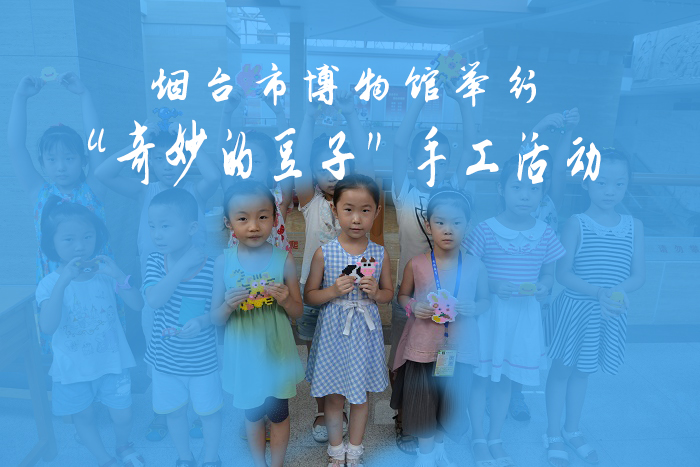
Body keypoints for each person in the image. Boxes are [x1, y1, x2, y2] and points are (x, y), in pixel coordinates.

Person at [95, 116, 220, 441]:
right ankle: (163, 411)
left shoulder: (194, 191)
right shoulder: (145, 191)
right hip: (156, 283)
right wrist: (138, 143)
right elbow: (103, 173)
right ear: (149, 160)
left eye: (175, 157)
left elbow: (214, 175)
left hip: (193, 288)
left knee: (191, 343)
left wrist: (188, 140)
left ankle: (199, 411)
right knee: (157, 346)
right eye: (160, 158)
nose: (168, 164)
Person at [389, 81, 478, 453]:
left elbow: (471, 147)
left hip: (452, 305)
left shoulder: (452, 192)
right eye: (425, 156)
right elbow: (398, 145)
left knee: (445, 362)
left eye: (440, 157)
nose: (433, 162)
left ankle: (438, 420)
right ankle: (405, 421)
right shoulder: (405, 192)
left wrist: (462, 101)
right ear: (413, 162)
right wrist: (418, 101)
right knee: (406, 364)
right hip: (411, 297)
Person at [543, 149, 645, 467]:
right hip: (575, 311)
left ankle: (572, 429)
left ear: (627, 185)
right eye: (602, 182)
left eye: (619, 184)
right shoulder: (576, 223)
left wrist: (614, 293)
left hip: (606, 313)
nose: (610, 191)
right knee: (562, 370)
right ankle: (553, 433)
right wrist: (599, 292)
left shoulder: (634, 225)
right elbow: (563, 274)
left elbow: (638, 275)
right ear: (586, 183)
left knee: (584, 370)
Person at [465, 157, 566, 467]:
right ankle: (478, 437)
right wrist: (494, 285)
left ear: (542, 193)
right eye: (517, 187)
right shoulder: (484, 230)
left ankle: (495, 437)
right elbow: (468, 274)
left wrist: (544, 287)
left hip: (523, 317)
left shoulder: (545, 233)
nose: (525, 195)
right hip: (490, 315)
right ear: (501, 189)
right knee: (481, 378)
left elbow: (549, 275)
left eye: (534, 189)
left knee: (506, 379)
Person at [8, 72, 116, 352]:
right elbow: (16, 147)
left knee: (101, 338)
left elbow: (97, 141)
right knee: (63, 341)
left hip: (96, 276)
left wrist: (85, 95)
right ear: (42, 163)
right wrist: (20, 97)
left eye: (69, 158)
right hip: (55, 279)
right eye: (52, 159)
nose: (61, 166)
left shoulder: (94, 188)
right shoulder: (39, 192)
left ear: (83, 160)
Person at [35, 197, 144, 467]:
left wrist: (118, 276)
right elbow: (47, 327)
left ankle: (122, 445)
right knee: (83, 417)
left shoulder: (105, 274)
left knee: (123, 415)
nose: (80, 245)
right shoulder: (48, 284)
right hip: (73, 367)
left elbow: (137, 304)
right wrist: (62, 282)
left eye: (87, 236)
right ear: (52, 243)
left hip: (112, 361)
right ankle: (105, 459)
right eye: (68, 239)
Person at [294, 90, 375, 442]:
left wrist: (351, 114)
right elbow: (298, 161)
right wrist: (309, 118)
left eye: (340, 168)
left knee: (348, 353)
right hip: (315, 293)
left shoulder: (355, 203)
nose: (332, 175)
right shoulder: (310, 200)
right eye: (324, 169)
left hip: (354, 296)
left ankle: (345, 404)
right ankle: (322, 410)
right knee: (317, 356)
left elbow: (366, 162)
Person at [391, 189, 490, 467]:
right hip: (423, 347)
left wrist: (475, 307)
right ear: (428, 225)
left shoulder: (476, 266)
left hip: (459, 348)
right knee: (423, 400)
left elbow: (485, 301)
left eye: (457, 223)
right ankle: (425, 455)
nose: (448, 229)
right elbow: (402, 296)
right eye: (440, 222)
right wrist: (413, 306)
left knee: (450, 400)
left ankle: (439, 450)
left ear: (468, 225)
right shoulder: (417, 264)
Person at [211, 180, 304, 467]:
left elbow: (298, 311)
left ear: (275, 219)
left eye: (262, 217)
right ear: (228, 223)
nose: (253, 226)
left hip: (276, 353)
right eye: (243, 218)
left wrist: (286, 300)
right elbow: (215, 318)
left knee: (278, 414)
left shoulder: (283, 260)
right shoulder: (223, 262)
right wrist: (227, 305)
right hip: (244, 356)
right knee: (251, 415)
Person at [304, 174, 393, 467]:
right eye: (348, 210)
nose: (356, 219)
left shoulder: (379, 253)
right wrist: (332, 291)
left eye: (365, 210)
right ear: (335, 209)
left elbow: (388, 294)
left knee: (360, 396)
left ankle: (354, 451)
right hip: (334, 330)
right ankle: (335, 450)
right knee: (334, 397)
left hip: (364, 332)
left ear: (376, 212)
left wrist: (376, 292)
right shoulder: (324, 253)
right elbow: (309, 296)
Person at [508, 108, 580, 421]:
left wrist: (568, 133)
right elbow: (523, 158)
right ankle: (498, 392)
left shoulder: (550, 202)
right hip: (509, 280)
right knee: (505, 338)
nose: (545, 179)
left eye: (547, 176)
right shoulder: (521, 196)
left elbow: (561, 170)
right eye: (539, 173)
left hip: (540, 286)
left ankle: (516, 396)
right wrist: (539, 126)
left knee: (526, 343)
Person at [142, 189, 222, 467]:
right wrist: (181, 267)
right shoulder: (155, 261)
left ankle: (211, 458)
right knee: (174, 412)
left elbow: (216, 313)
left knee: (208, 413)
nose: (157, 234)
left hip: (202, 361)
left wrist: (200, 322)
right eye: (152, 226)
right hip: (165, 361)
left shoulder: (212, 267)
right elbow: (154, 300)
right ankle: (184, 457)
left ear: (191, 228)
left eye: (165, 226)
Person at [218, 85, 294, 254]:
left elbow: (287, 157)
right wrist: (227, 113)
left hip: (276, 271)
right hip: (239, 272)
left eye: (256, 161)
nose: (248, 168)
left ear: (271, 165)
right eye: (243, 161)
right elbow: (223, 157)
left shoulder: (278, 199)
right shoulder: (234, 195)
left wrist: (279, 112)